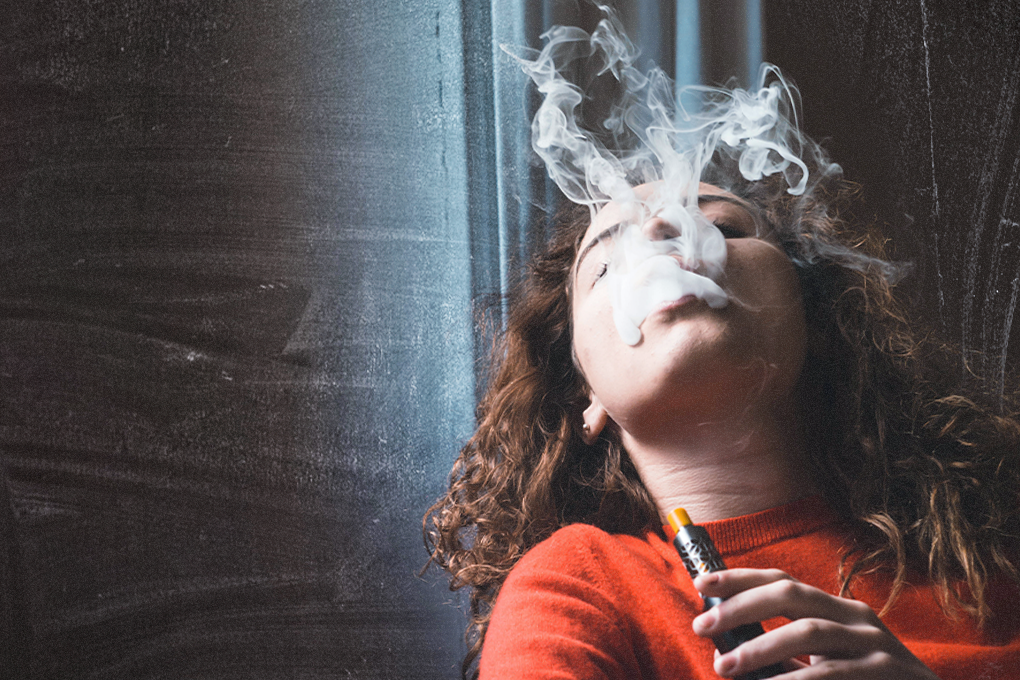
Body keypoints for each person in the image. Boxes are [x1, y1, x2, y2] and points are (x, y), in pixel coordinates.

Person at [424, 15, 1020, 680]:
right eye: (607, 260)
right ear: (583, 396)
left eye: (720, 225)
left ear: (818, 318)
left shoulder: (991, 567)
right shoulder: (579, 589)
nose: (658, 231)